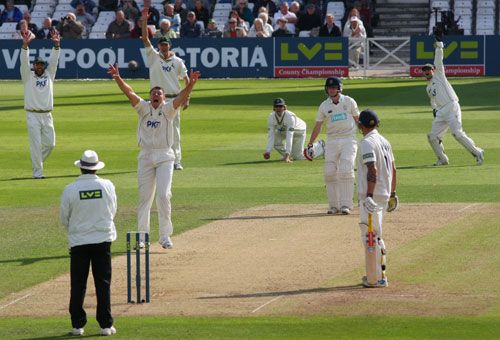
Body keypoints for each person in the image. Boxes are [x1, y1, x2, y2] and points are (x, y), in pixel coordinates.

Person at [107, 64, 200, 249]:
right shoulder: (143, 108)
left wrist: (191, 85)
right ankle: (142, 237)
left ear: (164, 98)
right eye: (154, 93)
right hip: (146, 156)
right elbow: (130, 92)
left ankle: (165, 236)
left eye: (159, 93)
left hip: (165, 156)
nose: (156, 95)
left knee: (164, 195)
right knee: (144, 198)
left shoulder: (168, 110)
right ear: (150, 97)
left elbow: (181, 98)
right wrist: (117, 77)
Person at [60, 150, 117, 336]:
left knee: (78, 283)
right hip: (102, 240)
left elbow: (64, 218)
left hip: (79, 242)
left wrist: (77, 229)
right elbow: (112, 210)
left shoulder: (70, 189)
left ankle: (77, 325)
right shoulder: (107, 186)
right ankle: (106, 325)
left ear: (81, 168)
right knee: (103, 282)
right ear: (95, 168)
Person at [422, 36, 484, 166]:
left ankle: (478, 153)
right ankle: (442, 159)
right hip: (441, 112)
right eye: (425, 71)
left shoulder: (439, 75)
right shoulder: (428, 87)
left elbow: (438, 59)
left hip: (451, 106)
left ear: (433, 70)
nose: (427, 72)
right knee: (432, 137)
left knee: (457, 134)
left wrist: (439, 44)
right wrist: (434, 109)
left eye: (429, 69)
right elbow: (432, 100)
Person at [142, 8, 189, 170]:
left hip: (174, 99)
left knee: (174, 131)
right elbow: (145, 38)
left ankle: (177, 160)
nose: (163, 47)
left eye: (166, 44)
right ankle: (152, 159)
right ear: (159, 46)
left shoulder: (178, 61)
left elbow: (187, 79)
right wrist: (144, 21)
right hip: (157, 100)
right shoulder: (153, 57)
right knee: (153, 129)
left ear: (170, 45)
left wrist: (187, 97)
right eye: (161, 44)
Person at [357, 109, 397, 288]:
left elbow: (372, 169)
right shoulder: (385, 141)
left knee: (370, 236)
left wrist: (369, 196)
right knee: (376, 235)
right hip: (384, 193)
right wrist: (393, 194)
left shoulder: (367, 142)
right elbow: (394, 170)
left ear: (361, 125)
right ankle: (379, 275)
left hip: (372, 196)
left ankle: (376, 278)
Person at [307, 77, 359, 215]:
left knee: (346, 169)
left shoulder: (349, 101)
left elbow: (357, 119)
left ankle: (346, 205)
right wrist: (310, 143)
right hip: (332, 140)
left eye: (333, 87)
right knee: (329, 172)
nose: (330, 90)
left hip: (349, 139)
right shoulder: (324, 105)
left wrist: (368, 136)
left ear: (339, 88)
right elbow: (318, 125)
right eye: (329, 88)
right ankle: (333, 206)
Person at [20, 29, 61, 179]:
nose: (39, 67)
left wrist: (56, 46)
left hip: (47, 115)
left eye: (41, 65)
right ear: (34, 65)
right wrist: (25, 46)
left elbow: (55, 61)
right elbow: (24, 62)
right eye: (36, 64)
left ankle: (37, 162)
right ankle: (38, 173)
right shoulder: (27, 76)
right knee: (36, 146)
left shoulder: (50, 75)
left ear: (44, 66)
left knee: (50, 145)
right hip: (32, 115)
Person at [263, 98, 306, 163]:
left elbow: (289, 136)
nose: (278, 108)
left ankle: (320, 147)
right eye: (276, 106)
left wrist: (287, 154)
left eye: (280, 106)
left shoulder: (290, 117)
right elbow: (271, 135)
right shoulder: (271, 117)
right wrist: (268, 151)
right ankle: (287, 155)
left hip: (299, 131)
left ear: (284, 107)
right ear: (273, 108)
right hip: (284, 130)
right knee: (276, 140)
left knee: (298, 157)